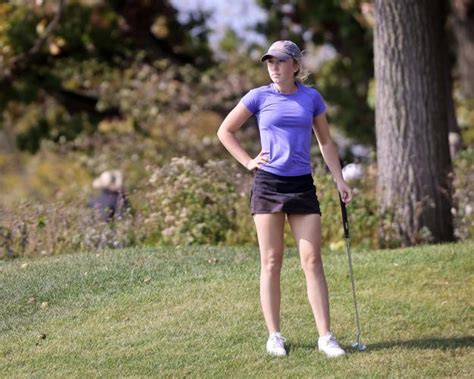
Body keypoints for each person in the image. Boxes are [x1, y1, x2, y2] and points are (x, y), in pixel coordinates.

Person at [217, 40, 352, 358]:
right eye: (269, 62)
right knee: (271, 261)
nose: (274, 67)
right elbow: (226, 131)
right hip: (268, 184)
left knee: (313, 261)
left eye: (280, 61)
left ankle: (326, 337)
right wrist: (249, 161)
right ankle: (274, 335)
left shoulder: (311, 98)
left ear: (295, 65)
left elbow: (326, 142)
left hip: (302, 185)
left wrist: (340, 179)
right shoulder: (258, 96)